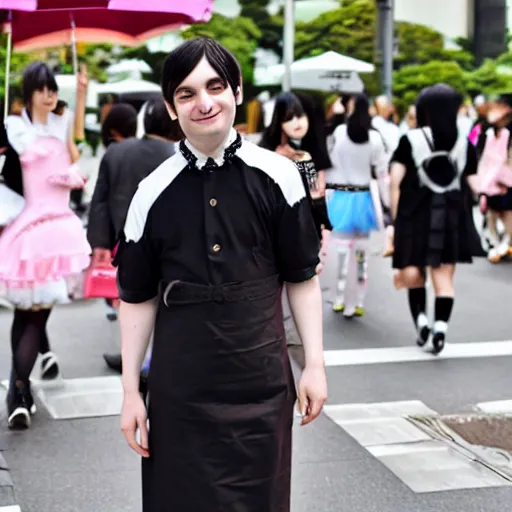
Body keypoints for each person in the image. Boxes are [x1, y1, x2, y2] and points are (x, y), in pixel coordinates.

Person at [114, 37, 327, 512]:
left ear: (237, 91)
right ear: (170, 107)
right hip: (180, 392)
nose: (204, 103)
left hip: (260, 384)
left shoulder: (279, 176)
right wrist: (131, 393)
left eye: (215, 86)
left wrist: (314, 364)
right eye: (187, 93)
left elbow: (302, 277)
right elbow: (136, 296)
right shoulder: (151, 192)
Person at [0, 62, 90, 429]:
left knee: (36, 314)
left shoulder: (60, 123)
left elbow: (75, 148)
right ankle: (19, 390)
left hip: (58, 229)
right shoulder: (16, 126)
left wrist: (81, 94)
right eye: (42, 88)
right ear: (29, 93)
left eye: (53, 88)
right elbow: (23, 153)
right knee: (29, 313)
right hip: (30, 228)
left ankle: (18, 392)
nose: (50, 94)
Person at [390, 84, 484, 355]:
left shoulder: (411, 139)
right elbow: (473, 180)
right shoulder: (464, 142)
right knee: (445, 280)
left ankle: (421, 322)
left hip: (414, 215)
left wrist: (396, 220)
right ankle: (440, 327)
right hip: (451, 217)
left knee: (414, 275)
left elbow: (395, 181)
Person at [87, 98, 179, 373]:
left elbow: (100, 200)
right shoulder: (178, 155)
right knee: (164, 303)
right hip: (170, 244)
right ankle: (152, 361)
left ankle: (132, 357)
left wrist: (100, 243)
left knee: (129, 301)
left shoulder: (116, 152)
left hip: (124, 242)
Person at [327, 93, 387, 318]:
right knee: (361, 254)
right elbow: (381, 172)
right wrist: (388, 204)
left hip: (342, 197)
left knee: (342, 252)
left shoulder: (339, 132)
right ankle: (358, 300)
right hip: (363, 199)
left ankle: (340, 297)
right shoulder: (375, 138)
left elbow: (331, 161)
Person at [259, 91, 332, 271]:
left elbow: (318, 193)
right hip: (279, 225)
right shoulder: (270, 151)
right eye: (289, 118)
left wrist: (323, 227)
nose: (296, 123)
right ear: (279, 121)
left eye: (300, 116)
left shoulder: (312, 147)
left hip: (309, 225)